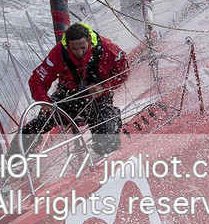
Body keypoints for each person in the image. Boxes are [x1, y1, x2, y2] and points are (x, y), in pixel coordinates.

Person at [24, 21, 130, 153]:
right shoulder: (58, 52)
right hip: (69, 96)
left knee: (106, 141)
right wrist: (45, 101)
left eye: (82, 48)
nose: (79, 52)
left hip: (99, 97)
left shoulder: (108, 48)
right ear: (67, 45)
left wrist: (103, 87)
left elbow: (123, 72)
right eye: (74, 49)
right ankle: (13, 159)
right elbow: (37, 80)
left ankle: (112, 118)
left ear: (89, 41)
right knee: (37, 124)